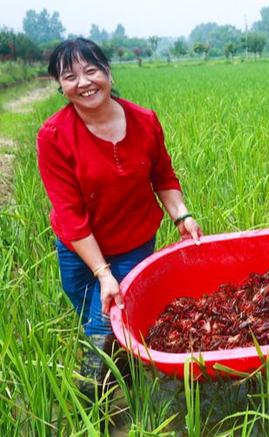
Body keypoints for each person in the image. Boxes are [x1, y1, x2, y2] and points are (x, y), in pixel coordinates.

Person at [37, 38, 202, 398]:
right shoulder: (54, 136)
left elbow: (164, 178)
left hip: (132, 245)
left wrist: (182, 216)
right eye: (70, 76)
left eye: (91, 70)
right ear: (61, 87)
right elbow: (69, 213)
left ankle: (93, 410)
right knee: (100, 323)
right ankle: (127, 375)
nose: (83, 82)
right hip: (78, 251)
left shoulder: (144, 121)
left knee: (101, 331)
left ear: (108, 72)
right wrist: (101, 271)